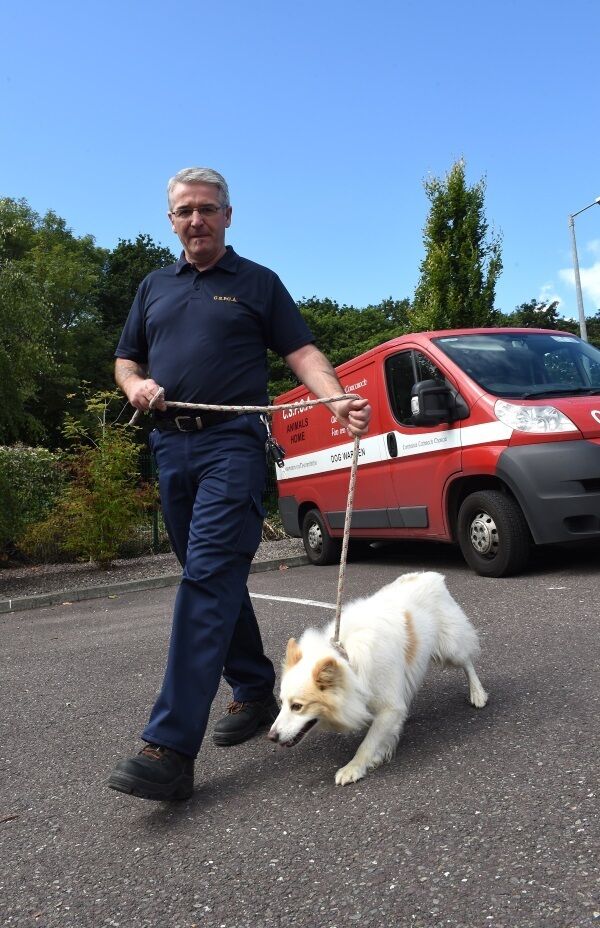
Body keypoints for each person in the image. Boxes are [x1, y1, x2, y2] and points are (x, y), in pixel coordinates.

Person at [108, 167, 371, 801]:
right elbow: (125, 359)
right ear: (170, 220)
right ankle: (255, 690)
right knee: (210, 576)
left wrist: (334, 398)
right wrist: (134, 385)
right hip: (170, 444)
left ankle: (169, 748)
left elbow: (301, 352)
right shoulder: (153, 286)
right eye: (183, 212)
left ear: (228, 215)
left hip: (234, 445)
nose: (195, 219)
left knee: (205, 579)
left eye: (206, 209)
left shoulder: (257, 283)